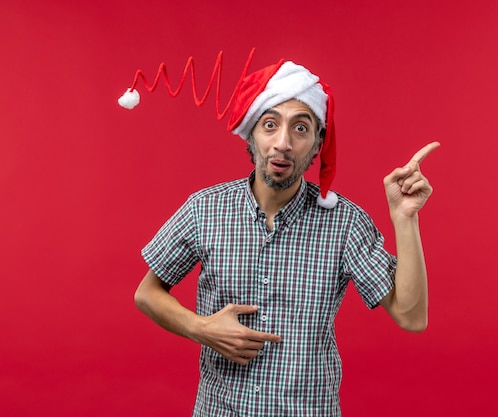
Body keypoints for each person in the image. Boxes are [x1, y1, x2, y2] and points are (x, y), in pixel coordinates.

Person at [132, 57, 439, 417]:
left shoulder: (345, 223)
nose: (283, 143)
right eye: (270, 124)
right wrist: (201, 328)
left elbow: (411, 316)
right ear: (252, 134)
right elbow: (146, 294)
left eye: (300, 128)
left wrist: (404, 219)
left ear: (316, 143)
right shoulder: (205, 210)